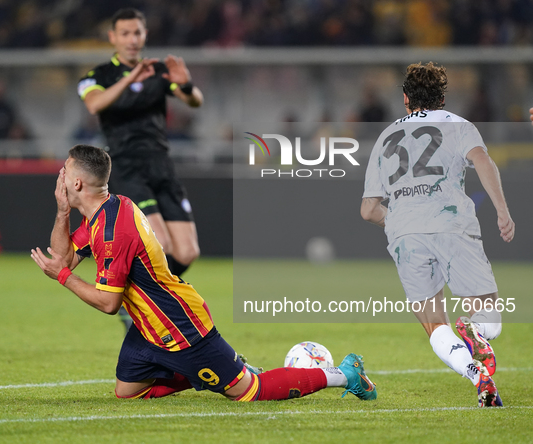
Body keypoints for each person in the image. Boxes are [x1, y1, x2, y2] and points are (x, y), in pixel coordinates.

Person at [30, 144, 378, 403]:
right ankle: (207, 373)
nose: (59, 174)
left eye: (64, 170)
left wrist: (63, 277)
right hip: (148, 326)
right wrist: (62, 212)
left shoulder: (112, 230)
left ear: (77, 183)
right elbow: (63, 254)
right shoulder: (108, 210)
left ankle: (342, 374)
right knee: (127, 392)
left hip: (180, 326)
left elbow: (107, 303)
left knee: (249, 391)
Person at [361, 62, 515, 408]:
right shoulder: (460, 126)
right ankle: (476, 331)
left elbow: (368, 210)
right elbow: (484, 164)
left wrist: (401, 219)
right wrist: (502, 212)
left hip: (404, 236)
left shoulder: (385, 136)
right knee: (488, 316)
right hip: (452, 225)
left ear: (405, 99)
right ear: (443, 98)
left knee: (434, 324)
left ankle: (477, 376)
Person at [77, 8, 203, 329]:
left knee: (187, 252)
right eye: (125, 34)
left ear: (145, 35)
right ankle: (148, 312)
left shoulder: (159, 71)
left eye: (137, 33)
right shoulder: (98, 76)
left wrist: (186, 85)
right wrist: (131, 78)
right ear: (113, 37)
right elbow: (95, 104)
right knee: (160, 243)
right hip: (127, 166)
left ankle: (134, 299)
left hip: (161, 165)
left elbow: (194, 101)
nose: (132, 40)